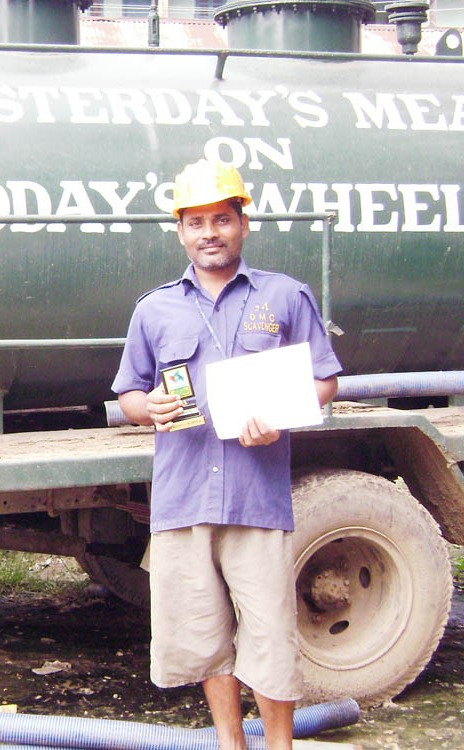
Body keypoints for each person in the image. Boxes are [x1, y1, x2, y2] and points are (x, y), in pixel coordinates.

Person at [112, 158, 341, 749]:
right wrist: (150, 408)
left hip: (256, 495)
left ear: (243, 223)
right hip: (183, 496)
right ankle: (230, 743)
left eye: (221, 218)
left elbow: (324, 383)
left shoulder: (284, 296)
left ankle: (280, 745)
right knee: (205, 635)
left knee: (269, 637)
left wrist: (282, 417)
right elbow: (129, 393)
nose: (208, 232)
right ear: (181, 232)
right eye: (195, 222)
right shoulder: (154, 309)